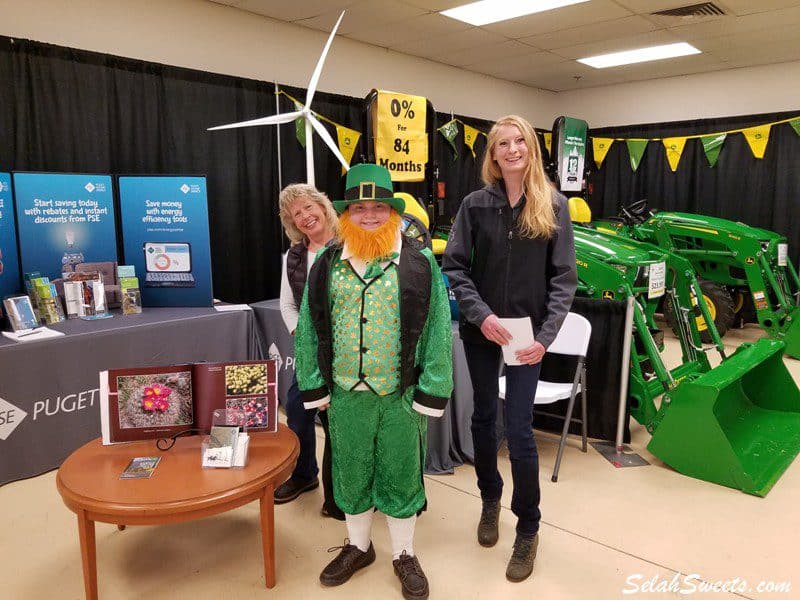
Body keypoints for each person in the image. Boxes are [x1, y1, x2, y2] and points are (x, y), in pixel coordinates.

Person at [295, 163, 453, 600]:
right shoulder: (327, 265)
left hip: (399, 394)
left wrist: (431, 390)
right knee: (350, 471)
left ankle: (403, 553)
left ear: (392, 212)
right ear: (345, 214)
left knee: (402, 474)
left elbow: (439, 329)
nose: (369, 215)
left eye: (378, 207)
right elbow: (310, 327)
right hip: (346, 395)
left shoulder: (419, 264)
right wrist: (314, 384)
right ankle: (358, 546)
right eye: (360, 208)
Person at [442, 115, 577, 583]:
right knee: (483, 419)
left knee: (519, 431)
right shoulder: (474, 206)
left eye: (521, 141)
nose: (513, 149)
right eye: (504, 143)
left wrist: (545, 338)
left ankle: (528, 526)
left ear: (531, 149)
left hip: (528, 341)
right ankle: (489, 498)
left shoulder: (554, 206)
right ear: (493, 155)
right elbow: (455, 268)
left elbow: (563, 280)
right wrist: (483, 316)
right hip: (485, 332)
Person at [274, 183, 344, 520]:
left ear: (322, 205)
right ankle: (304, 475)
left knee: (336, 422)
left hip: (345, 351)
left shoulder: (349, 244)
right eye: (295, 214)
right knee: (298, 412)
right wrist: (301, 335)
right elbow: (287, 305)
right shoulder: (293, 257)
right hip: (308, 350)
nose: (304, 217)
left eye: (307, 208)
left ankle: (340, 492)